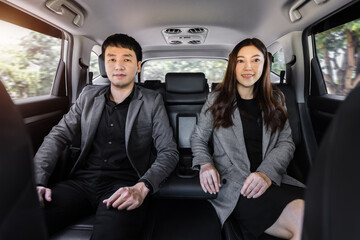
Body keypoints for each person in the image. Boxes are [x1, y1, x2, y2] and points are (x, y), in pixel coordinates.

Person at [34, 33, 179, 239]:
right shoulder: (88, 96)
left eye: (126, 59)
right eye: (111, 59)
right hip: (81, 183)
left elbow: (168, 151)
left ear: (138, 66)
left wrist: (142, 187)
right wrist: (37, 182)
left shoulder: (151, 100)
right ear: (104, 64)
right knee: (25, 220)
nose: (118, 66)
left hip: (125, 186)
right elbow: (58, 136)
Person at [191, 38, 305, 240]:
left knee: (326, 213)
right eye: (241, 61)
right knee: (305, 220)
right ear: (233, 65)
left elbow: (286, 143)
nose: (248, 67)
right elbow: (199, 138)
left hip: (273, 179)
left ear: (265, 65)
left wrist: (265, 173)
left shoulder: (276, 100)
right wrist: (205, 164)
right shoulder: (216, 100)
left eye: (255, 60)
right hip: (237, 186)